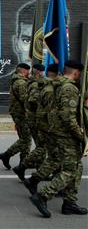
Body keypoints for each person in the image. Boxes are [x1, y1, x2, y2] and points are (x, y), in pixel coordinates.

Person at [27, 60, 87, 218]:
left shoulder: (53, 84)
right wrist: (80, 136)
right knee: (70, 169)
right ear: (77, 73)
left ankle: (69, 202)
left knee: (76, 166)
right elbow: (68, 117)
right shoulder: (69, 88)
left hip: (53, 131)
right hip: (65, 134)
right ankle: (43, 195)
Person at [13, 64, 58, 181]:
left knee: (42, 147)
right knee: (42, 147)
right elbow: (32, 101)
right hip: (37, 121)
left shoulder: (39, 83)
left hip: (39, 120)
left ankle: (37, 170)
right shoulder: (35, 84)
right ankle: (23, 167)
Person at [0, 63, 32, 169]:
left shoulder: (18, 80)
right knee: (25, 140)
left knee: (25, 139)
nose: (29, 73)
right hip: (21, 114)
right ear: (23, 71)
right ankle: (7, 155)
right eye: (27, 71)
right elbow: (24, 99)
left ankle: (23, 163)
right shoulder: (21, 83)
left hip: (19, 113)